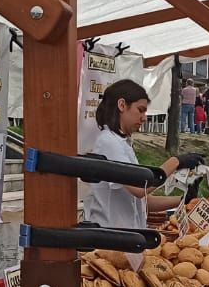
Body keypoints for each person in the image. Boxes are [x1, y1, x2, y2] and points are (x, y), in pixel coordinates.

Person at [85, 79, 201, 229]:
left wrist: (183, 200)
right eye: (140, 110)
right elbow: (140, 189)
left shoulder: (121, 143)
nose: (144, 117)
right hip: (112, 239)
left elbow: (142, 201)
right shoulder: (109, 143)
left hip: (127, 238)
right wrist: (176, 162)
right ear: (122, 105)